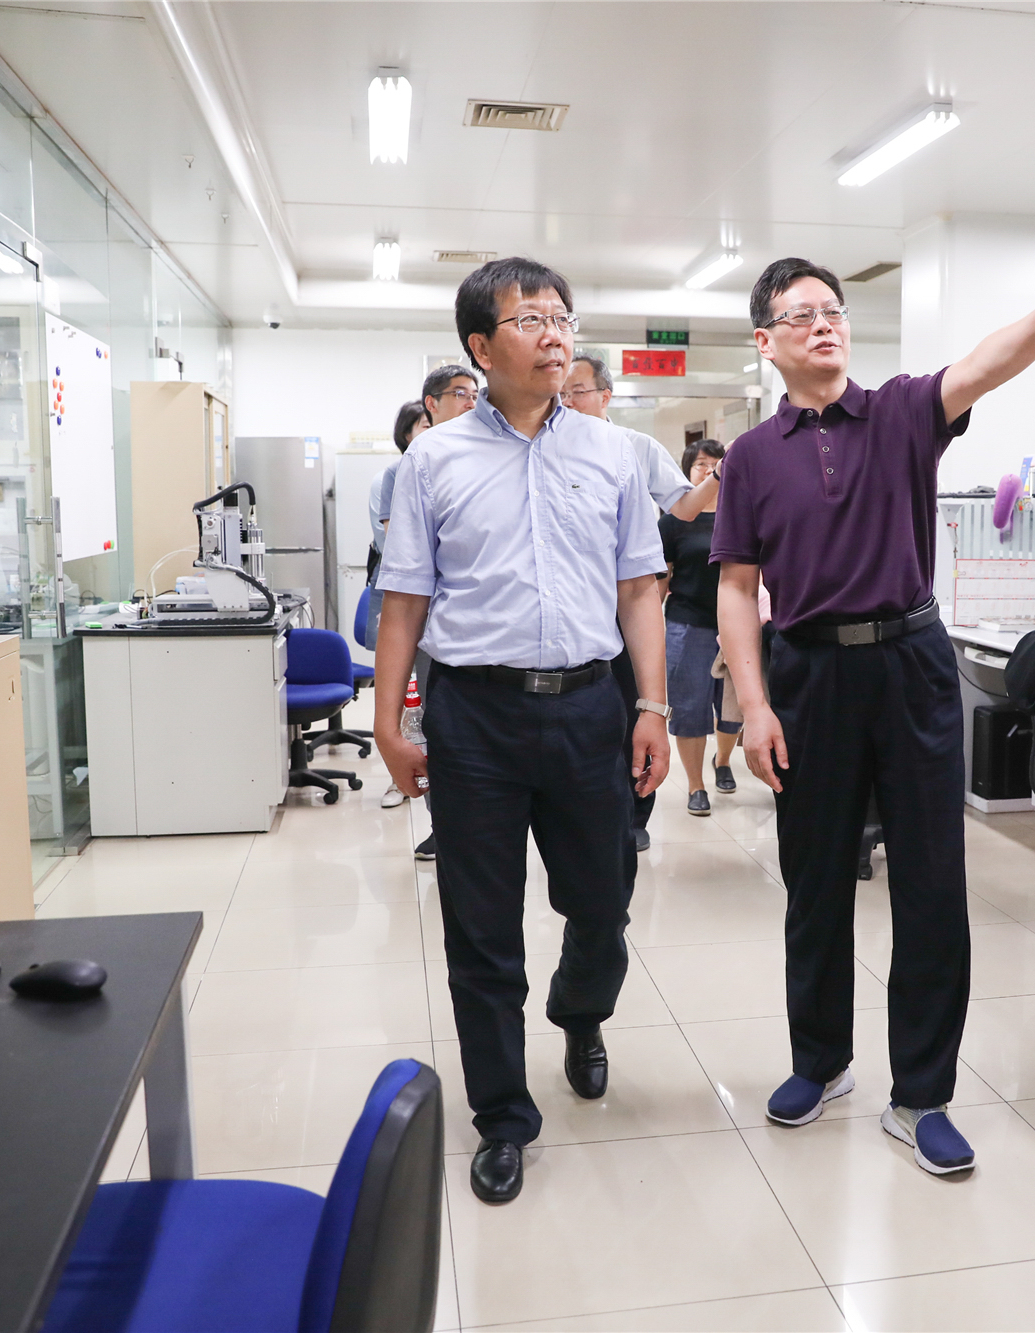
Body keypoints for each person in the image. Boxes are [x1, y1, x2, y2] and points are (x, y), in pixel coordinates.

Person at [713, 254, 1035, 1176]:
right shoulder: (751, 457)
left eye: (833, 309)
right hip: (808, 673)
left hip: (912, 664)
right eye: (802, 314)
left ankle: (923, 1094)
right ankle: (820, 1062)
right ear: (767, 341)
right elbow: (737, 588)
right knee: (816, 879)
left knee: (932, 882)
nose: (825, 323)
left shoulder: (900, 412)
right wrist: (754, 706)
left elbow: (981, 365)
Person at [373, 257, 671, 1205]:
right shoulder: (433, 461)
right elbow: (404, 599)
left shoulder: (613, 452)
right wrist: (388, 723)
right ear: (480, 345)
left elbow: (640, 590)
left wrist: (653, 706)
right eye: (530, 318)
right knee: (482, 925)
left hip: (589, 706)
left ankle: (581, 1010)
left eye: (562, 316)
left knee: (603, 902)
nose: (554, 334)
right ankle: (503, 1114)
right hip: (476, 715)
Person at [560, 352, 717, 851]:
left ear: (605, 396)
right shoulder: (546, 447)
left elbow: (684, 506)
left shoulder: (634, 446)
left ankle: (635, 814)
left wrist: (719, 475)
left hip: (628, 601)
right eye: (561, 393)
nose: (566, 401)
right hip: (572, 603)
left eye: (577, 391)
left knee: (635, 708)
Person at [380, 368, 475, 852]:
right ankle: (444, 822)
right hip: (427, 619)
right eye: (459, 393)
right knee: (429, 720)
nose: (470, 401)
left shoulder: (482, 458)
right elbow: (404, 556)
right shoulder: (408, 468)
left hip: (473, 628)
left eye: (474, 393)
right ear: (431, 404)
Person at [659, 439, 740, 812]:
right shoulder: (673, 521)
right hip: (687, 625)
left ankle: (722, 761)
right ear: (687, 471)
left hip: (736, 626)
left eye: (717, 463)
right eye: (701, 464)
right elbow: (661, 580)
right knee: (689, 708)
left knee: (732, 707)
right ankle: (695, 785)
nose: (710, 470)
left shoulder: (742, 514)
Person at [369, 401, 431, 810]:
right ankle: (401, 777)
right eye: (424, 424)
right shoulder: (393, 476)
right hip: (405, 597)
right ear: (406, 433)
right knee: (409, 695)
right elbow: (396, 547)